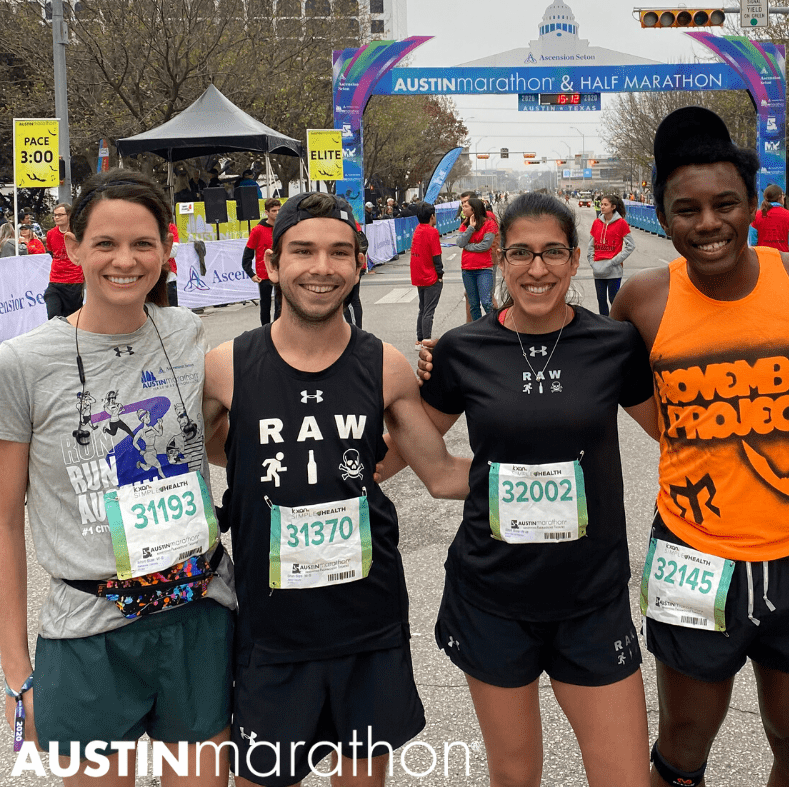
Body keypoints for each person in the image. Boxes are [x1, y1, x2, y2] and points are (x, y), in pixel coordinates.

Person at [600, 108, 789, 787]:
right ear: (660, 216)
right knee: (682, 749)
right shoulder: (641, 301)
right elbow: (651, 412)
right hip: (692, 554)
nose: (707, 223)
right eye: (686, 210)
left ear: (752, 206)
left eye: (725, 205)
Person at [202, 192, 468, 787]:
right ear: (271, 265)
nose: (322, 267)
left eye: (339, 253)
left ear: (359, 265)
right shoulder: (226, 366)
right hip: (270, 629)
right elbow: (207, 453)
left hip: (364, 623)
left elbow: (444, 474)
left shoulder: (385, 365)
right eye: (303, 251)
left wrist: (548, 452)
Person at [403, 192, 657, 786]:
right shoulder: (463, 349)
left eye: (551, 254)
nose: (535, 269)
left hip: (591, 597)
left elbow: (679, 435)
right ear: (499, 259)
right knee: (515, 775)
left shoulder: (614, 346)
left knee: (624, 777)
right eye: (519, 253)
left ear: (575, 260)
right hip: (493, 596)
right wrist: (382, 376)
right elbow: (408, 450)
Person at [0, 169, 235, 782]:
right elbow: (3, 522)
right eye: (104, 243)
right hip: (88, 632)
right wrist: (17, 669)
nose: (125, 260)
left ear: (167, 247)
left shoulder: (186, 332)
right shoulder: (21, 363)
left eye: (143, 244)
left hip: (198, 613)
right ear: (72, 248)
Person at [587, 194, 636, 316]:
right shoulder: (596, 223)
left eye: (605, 204)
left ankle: (616, 325)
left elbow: (631, 246)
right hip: (598, 269)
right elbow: (590, 244)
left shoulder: (621, 223)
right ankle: (605, 325)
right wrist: (592, 262)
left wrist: (614, 261)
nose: (602, 207)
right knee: (601, 300)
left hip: (614, 269)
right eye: (601, 204)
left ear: (613, 207)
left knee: (613, 299)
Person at [457, 196, 497, 321]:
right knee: (473, 305)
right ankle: (477, 329)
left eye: (465, 206)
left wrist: (468, 246)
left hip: (484, 269)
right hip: (467, 269)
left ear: (474, 209)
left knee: (486, 301)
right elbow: (460, 242)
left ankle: (493, 326)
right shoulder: (465, 224)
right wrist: (471, 228)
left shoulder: (489, 223)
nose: (463, 208)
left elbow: (485, 245)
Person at [243, 198, 282, 326]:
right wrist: (251, 274)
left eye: (279, 210)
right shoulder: (257, 230)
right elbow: (247, 255)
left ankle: (278, 331)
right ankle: (265, 331)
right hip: (263, 274)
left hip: (281, 272)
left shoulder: (283, 227)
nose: (277, 213)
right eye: (273, 211)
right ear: (266, 212)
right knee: (265, 304)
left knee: (280, 305)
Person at [43, 203, 85, 318]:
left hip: (74, 281)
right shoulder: (51, 234)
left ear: (69, 215)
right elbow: (52, 252)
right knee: (53, 315)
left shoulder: (78, 233)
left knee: (72, 317)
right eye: (55, 215)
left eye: (60, 215)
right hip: (55, 280)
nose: (56, 217)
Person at [410, 202, 443, 344]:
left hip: (418, 274)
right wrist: (440, 274)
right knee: (429, 311)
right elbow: (436, 255)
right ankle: (426, 340)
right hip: (430, 275)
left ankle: (419, 338)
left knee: (422, 309)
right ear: (432, 216)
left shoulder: (417, 229)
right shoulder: (432, 232)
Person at [749, 183, 789, 252]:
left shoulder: (757, 215)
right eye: (783, 195)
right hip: (782, 257)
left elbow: (753, 242)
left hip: (762, 257)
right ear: (779, 197)